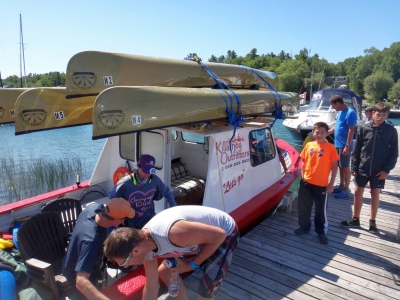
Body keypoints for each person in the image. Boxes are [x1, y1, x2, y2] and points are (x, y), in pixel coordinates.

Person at [104, 205, 239, 300]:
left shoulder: (173, 233)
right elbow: (151, 286)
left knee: (204, 295)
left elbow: (219, 236)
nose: (126, 267)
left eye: (125, 262)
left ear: (135, 250)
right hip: (194, 240)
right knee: (164, 271)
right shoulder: (145, 250)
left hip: (224, 234)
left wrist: (191, 264)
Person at [341, 102, 398, 233]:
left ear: (387, 115)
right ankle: (355, 219)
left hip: (379, 170)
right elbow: (357, 149)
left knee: (375, 193)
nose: (380, 117)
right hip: (363, 167)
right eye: (378, 114)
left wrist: (386, 171)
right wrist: (354, 166)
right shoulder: (363, 128)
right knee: (357, 191)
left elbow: (394, 153)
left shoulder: (390, 130)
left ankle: (372, 222)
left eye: (384, 115)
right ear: (373, 114)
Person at [62, 198, 136, 300]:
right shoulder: (91, 241)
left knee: (99, 283)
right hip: (76, 270)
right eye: (125, 219)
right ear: (117, 220)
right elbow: (81, 281)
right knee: (87, 295)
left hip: (84, 257)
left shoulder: (93, 207)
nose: (124, 222)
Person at [294, 122, 339, 245]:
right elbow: (303, 161)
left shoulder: (331, 148)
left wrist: (331, 183)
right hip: (306, 183)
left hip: (322, 185)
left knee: (320, 210)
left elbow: (335, 166)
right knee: (303, 207)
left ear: (327, 133)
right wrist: (303, 176)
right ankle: (304, 227)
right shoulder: (308, 145)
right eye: (317, 132)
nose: (319, 134)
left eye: (322, 132)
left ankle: (321, 232)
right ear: (313, 132)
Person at [109, 154, 177, 229]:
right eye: (145, 170)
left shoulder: (155, 180)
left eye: (150, 171)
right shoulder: (126, 182)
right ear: (138, 166)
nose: (148, 174)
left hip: (150, 220)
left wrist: (174, 209)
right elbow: (112, 198)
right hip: (130, 223)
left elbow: (167, 192)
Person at [327, 95, 357, 199]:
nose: (333, 108)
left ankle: (346, 190)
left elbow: (351, 130)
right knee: (340, 166)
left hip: (344, 145)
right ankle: (341, 186)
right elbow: (337, 125)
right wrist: (327, 133)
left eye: (333, 105)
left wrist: (347, 146)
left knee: (345, 167)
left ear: (338, 104)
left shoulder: (350, 112)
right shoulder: (340, 113)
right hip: (337, 144)